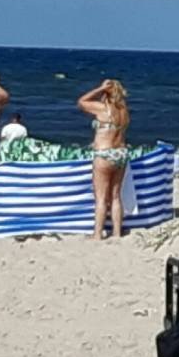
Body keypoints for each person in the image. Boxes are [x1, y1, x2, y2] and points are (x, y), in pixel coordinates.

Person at [77, 78, 130, 240]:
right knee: (115, 196)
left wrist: (100, 88)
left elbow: (81, 102)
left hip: (104, 153)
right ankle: (117, 233)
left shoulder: (102, 109)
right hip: (121, 153)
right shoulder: (123, 110)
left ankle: (98, 234)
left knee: (100, 198)